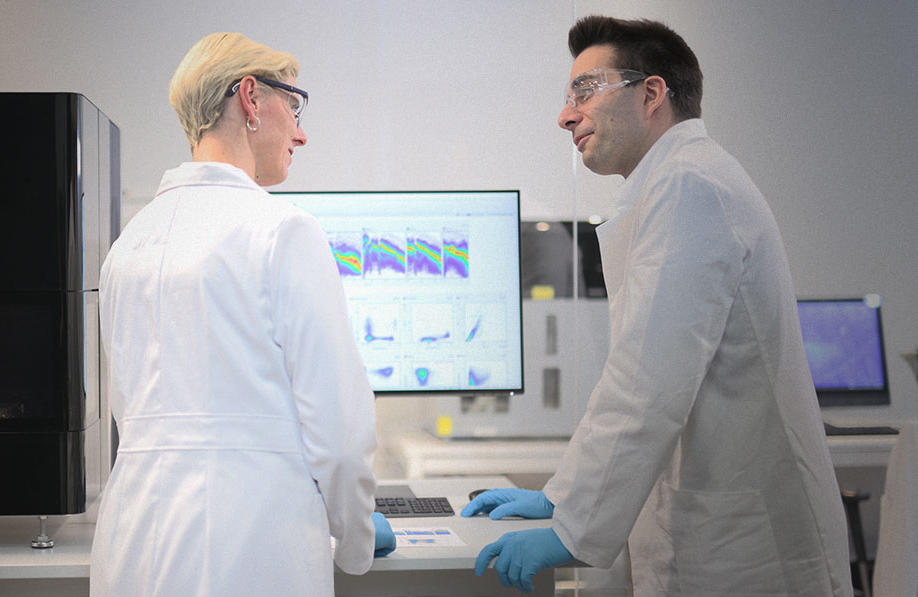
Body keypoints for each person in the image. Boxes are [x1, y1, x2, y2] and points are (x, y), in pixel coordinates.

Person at [464, 16, 852, 595]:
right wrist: (560, 496)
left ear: (651, 94)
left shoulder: (692, 184)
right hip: (712, 526)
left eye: (584, 90)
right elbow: (643, 376)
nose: (566, 115)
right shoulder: (672, 184)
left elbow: (647, 380)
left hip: (748, 549)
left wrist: (570, 528)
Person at [89, 32, 394, 597]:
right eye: (294, 104)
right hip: (250, 550)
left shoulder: (129, 244)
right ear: (251, 98)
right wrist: (354, 539)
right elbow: (342, 434)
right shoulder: (283, 232)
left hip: (130, 548)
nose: (301, 131)